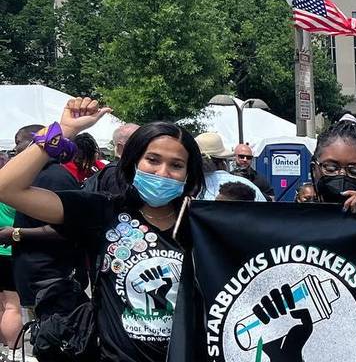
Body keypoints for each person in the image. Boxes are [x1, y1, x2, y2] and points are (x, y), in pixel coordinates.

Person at [0, 97, 205, 361]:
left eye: (176, 165)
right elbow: (7, 188)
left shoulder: (203, 225)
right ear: (132, 162)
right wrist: (63, 132)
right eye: (152, 160)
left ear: (189, 173)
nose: (162, 173)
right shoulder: (102, 211)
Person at [8, 124, 89, 330]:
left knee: (56, 337)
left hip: (54, 278)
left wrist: (16, 234)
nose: (15, 149)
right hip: (38, 275)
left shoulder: (55, 177)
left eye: (19, 143)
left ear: (36, 142)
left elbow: (69, 229)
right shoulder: (33, 176)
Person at [310, 120, 356, 212]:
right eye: (331, 168)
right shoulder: (294, 218)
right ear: (314, 169)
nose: (342, 175)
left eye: (354, 171)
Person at [195, 132, 265, 202]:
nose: (245, 160)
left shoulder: (188, 189)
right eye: (241, 157)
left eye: (249, 157)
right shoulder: (248, 185)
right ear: (223, 162)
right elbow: (265, 210)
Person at [84, 123, 139, 196]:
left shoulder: (126, 170)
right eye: (139, 143)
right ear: (121, 148)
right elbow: (120, 206)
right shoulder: (117, 174)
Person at [0, 202, 20, 356]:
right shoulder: (9, 192)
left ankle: (4, 346)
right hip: (8, 251)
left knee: (2, 305)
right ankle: (16, 351)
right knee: (12, 306)